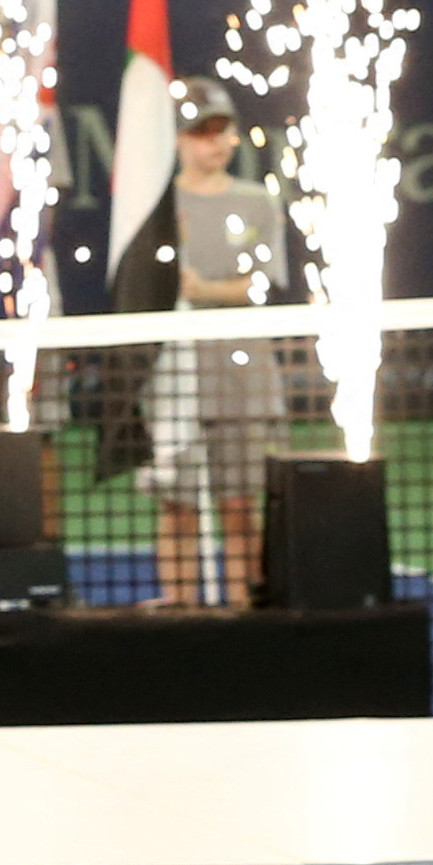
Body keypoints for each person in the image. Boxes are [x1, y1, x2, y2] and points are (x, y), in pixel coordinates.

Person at [138, 84, 293, 606]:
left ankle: (245, 616)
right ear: (179, 139)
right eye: (202, 132)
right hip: (174, 379)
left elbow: (261, 285)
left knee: (240, 505)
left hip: (242, 378)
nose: (216, 143)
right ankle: (180, 613)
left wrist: (202, 289)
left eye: (222, 130)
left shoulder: (257, 202)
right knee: (177, 507)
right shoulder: (152, 207)